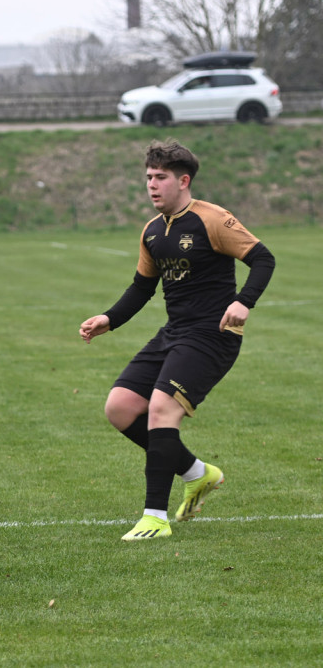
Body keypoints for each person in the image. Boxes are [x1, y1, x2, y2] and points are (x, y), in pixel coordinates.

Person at [79, 140, 275, 541]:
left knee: (161, 411)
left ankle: (155, 518)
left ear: (183, 181)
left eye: (161, 178)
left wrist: (243, 302)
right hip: (175, 332)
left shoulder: (212, 219)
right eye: (149, 177)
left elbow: (263, 259)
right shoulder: (152, 231)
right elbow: (141, 287)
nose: (152, 185)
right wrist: (109, 319)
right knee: (120, 408)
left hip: (212, 335)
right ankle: (198, 473)